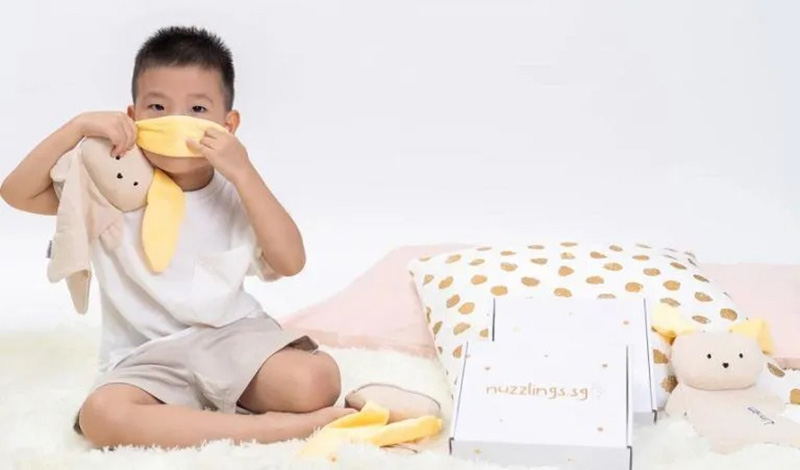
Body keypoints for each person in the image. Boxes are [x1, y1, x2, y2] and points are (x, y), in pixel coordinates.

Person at [0, 25, 353, 449]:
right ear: (131, 117)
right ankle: (268, 430)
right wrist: (75, 128)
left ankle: (194, 421)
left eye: (198, 109)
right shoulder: (109, 185)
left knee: (317, 379)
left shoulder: (236, 189)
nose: (176, 122)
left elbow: (291, 261)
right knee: (102, 415)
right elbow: (16, 193)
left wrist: (244, 172)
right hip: (145, 358)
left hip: (232, 339)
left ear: (229, 124)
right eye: (157, 107)